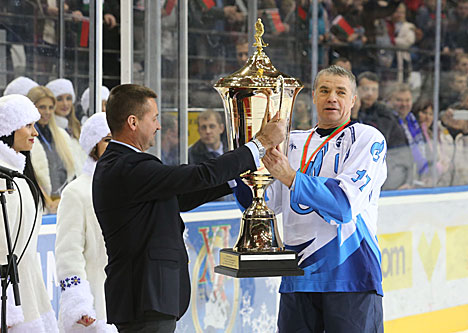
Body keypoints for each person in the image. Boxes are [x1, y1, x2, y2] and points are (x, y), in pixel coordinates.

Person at [92, 84, 286, 332]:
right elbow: (198, 175)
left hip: (147, 298)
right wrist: (260, 144)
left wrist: (234, 177)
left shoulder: (123, 164)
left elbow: (178, 198)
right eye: (154, 119)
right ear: (133, 122)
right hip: (144, 296)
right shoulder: (127, 166)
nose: (158, 126)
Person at [239, 65, 387, 332]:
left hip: (351, 276)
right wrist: (242, 158)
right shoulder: (291, 142)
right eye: (324, 90)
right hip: (298, 278)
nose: (332, 97)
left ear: (353, 101)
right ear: (314, 97)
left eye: (341, 92)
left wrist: (291, 177)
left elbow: (343, 206)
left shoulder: (367, 138)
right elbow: (266, 203)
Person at [0, 94, 59, 331]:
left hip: (30, 295)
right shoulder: (5, 182)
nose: (35, 133)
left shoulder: (22, 178)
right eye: (28, 125)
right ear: (8, 128)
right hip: (9, 300)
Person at [55, 113, 117, 332]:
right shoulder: (77, 192)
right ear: (94, 146)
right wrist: (79, 303)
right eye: (108, 140)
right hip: (96, 307)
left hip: (130, 303)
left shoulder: (132, 186)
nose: (115, 145)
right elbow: (67, 253)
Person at [27, 86, 76, 213]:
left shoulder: (62, 136)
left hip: (63, 202)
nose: (47, 112)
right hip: (40, 204)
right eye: (42, 107)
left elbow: (72, 173)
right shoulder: (26, 138)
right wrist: (47, 201)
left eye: (50, 107)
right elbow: (28, 174)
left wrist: (65, 199)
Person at [46, 78, 87, 171]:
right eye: (59, 99)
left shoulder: (76, 128)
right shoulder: (50, 130)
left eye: (68, 98)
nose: (65, 104)